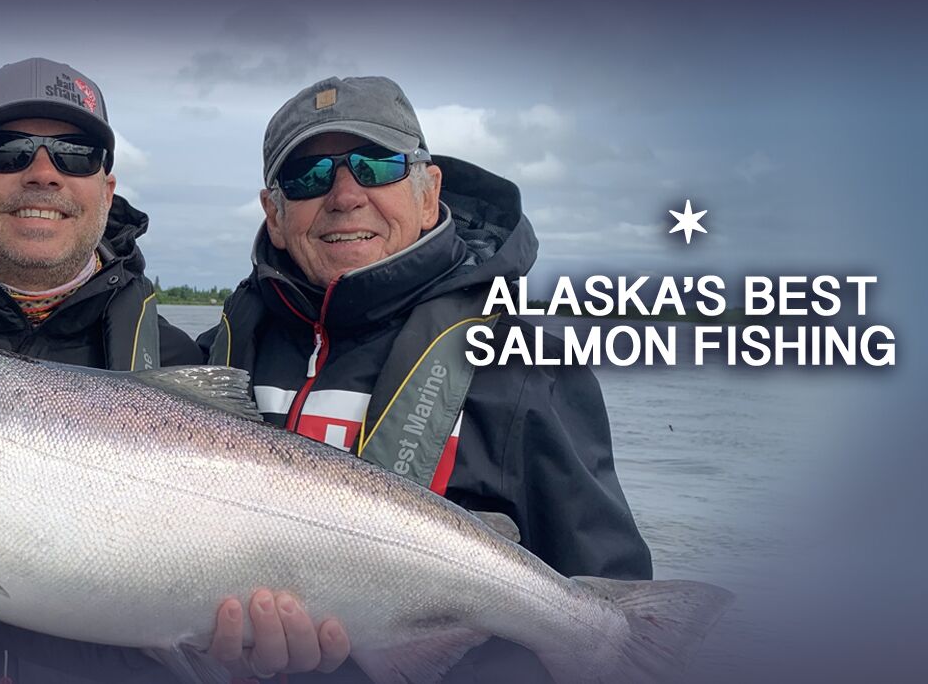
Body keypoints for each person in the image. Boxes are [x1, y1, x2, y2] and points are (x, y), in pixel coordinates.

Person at [0, 58, 346, 684]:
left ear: (106, 191)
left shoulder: (179, 361)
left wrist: (249, 654)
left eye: (76, 155)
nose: (43, 174)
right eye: (9, 150)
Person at [199, 76, 653, 681]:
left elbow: (606, 577)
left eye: (375, 166)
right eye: (307, 177)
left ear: (429, 190)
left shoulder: (528, 371)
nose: (344, 194)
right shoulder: (214, 357)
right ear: (273, 215)